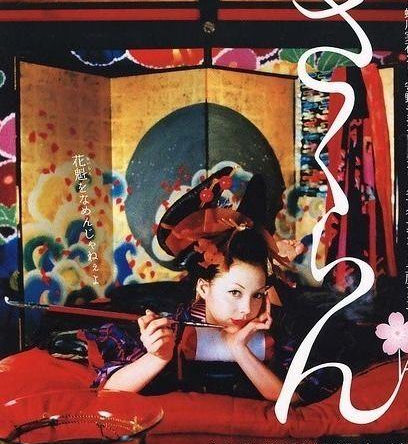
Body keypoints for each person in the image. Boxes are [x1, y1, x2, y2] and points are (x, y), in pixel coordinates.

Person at [100, 165, 303, 401]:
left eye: (257, 295)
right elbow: (111, 390)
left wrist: (239, 348)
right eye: (235, 293)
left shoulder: (272, 328)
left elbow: (294, 399)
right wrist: (157, 357)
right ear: (204, 288)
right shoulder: (175, 328)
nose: (247, 309)